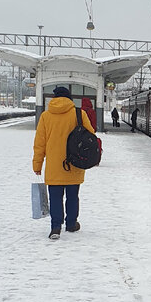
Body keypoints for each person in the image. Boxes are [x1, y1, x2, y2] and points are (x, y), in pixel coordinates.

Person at [32, 85, 96, 239]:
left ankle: (55, 227)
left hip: (54, 166)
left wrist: (37, 164)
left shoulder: (46, 116)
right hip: (74, 163)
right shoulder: (79, 114)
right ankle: (72, 224)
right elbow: (91, 135)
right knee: (73, 196)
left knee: (55, 197)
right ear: (69, 98)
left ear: (54, 98)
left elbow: (39, 143)